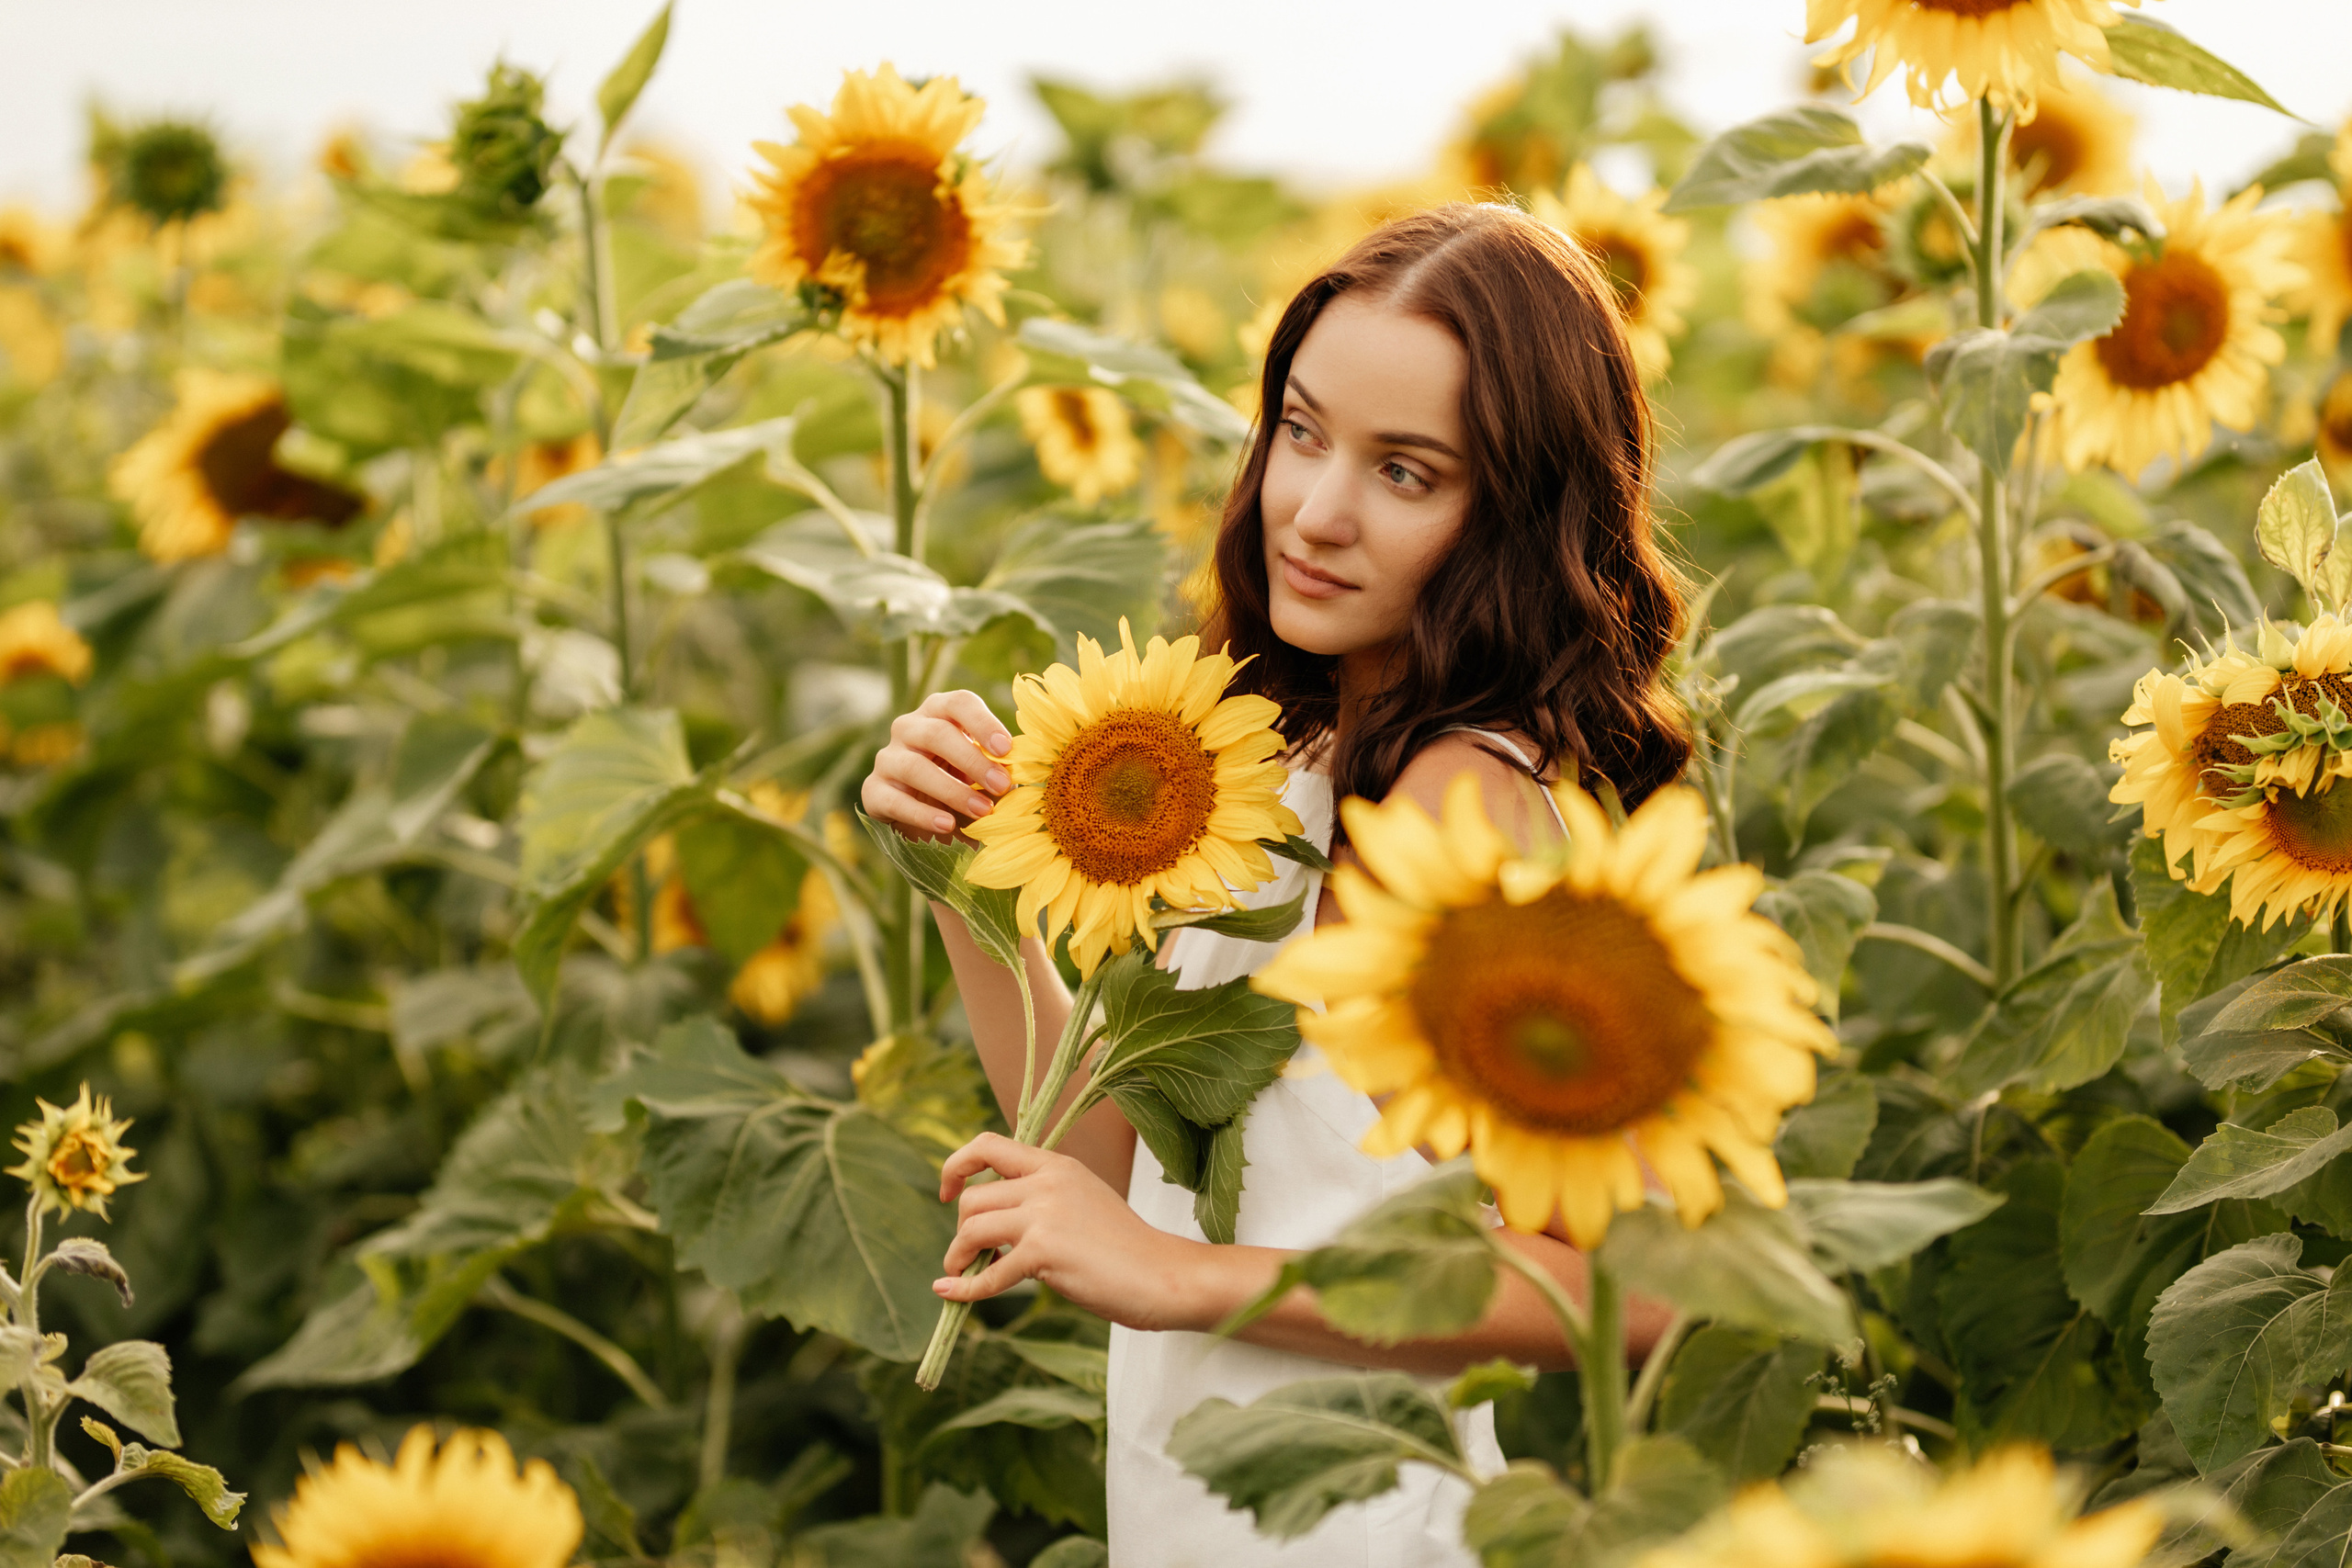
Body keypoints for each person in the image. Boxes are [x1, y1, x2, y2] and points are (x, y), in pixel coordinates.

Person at [860, 202, 1692, 1566]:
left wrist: (1189, 1284)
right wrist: (969, 880)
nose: (1315, 509)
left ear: (1514, 515)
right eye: (1301, 432)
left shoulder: (1458, 804)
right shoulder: (1293, 754)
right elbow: (1118, 1181)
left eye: (1407, 472)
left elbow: (1640, 1281)